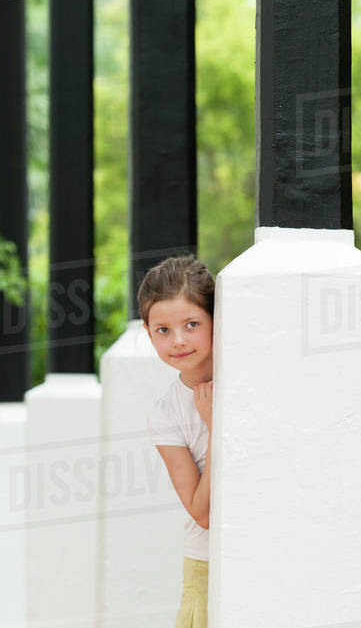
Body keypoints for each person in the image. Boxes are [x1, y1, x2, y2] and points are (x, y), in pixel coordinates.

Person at [140, 255, 216, 628]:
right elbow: (202, 514)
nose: (179, 341)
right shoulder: (166, 414)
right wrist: (217, 430)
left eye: (191, 324)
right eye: (163, 330)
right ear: (148, 332)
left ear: (215, 322)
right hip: (207, 566)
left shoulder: (249, 378)